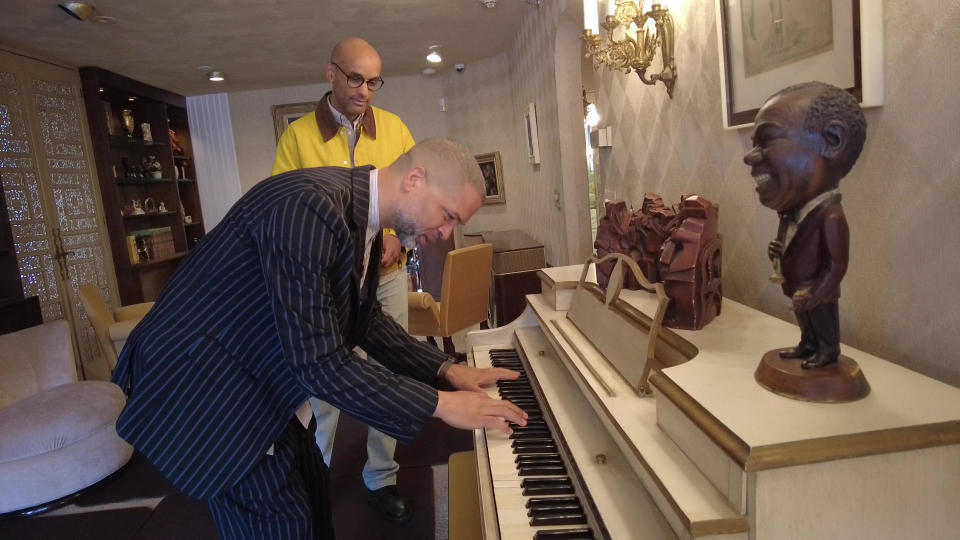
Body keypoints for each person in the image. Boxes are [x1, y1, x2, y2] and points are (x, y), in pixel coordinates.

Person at [111, 138, 527, 539]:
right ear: (415, 179)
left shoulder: (359, 218)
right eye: (449, 215)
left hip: (251, 376)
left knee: (312, 501)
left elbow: (365, 322)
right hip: (203, 388)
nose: (445, 232)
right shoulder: (310, 206)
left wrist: (446, 369)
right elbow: (320, 363)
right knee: (281, 523)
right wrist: (441, 404)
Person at [272, 37, 418, 522]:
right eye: (355, 78)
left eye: (374, 81)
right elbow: (282, 210)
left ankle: (381, 476)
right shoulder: (296, 139)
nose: (365, 91)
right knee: (324, 384)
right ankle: (317, 475)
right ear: (330, 72)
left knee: (391, 374)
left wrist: (396, 233)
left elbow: (415, 195)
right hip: (328, 287)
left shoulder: (395, 129)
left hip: (389, 278)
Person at [743, 81, 867, 369]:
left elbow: (836, 265)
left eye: (767, 139)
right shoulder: (790, 214)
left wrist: (817, 291)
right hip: (797, 285)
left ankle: (827, 350)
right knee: (806, 320)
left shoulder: (831, 216)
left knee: (822, 318)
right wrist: (778, 251)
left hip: (817, 290)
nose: (749, 157)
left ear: (832, 140)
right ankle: (808, 343)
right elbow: (792, 242)